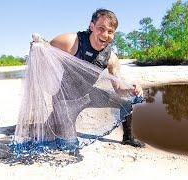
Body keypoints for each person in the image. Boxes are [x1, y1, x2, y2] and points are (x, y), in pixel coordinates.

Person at [50, 8, 145, 148]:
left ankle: (128, 137)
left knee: (126, 103)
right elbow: (44, 51)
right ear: (91, 26)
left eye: (110, 31)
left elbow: (119, 88)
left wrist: (132, 89)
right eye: (101, 28)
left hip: (89, 94)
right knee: (67, 144)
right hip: (65, 101)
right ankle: (52, 121)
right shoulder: (71, 42)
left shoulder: (111, 58)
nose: (105, 35)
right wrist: (37, 45)